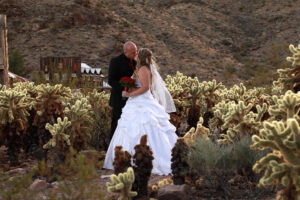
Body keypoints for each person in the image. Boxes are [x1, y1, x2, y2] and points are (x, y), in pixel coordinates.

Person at [103, 48, 178, 175]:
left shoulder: (143, 69)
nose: (135, 55)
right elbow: (140, 85)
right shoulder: (143, 68)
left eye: (137, 54)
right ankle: (128, 157)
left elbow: (145, 88)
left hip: (142, 102)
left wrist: (129, 94)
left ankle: (140, 157)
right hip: (136, 101)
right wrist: (131, 89)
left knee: (142, 126)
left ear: (141, 57)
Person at [108, 41, 137, 142]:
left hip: (133, 98)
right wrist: (123, 89)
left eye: (136, 52)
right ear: (126, 51)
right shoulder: (115, 61)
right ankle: (112, 147)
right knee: (116, 123)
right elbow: (111, 80)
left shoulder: (136, 62)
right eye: (133, 52)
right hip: (118, 98)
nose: (135, 54)